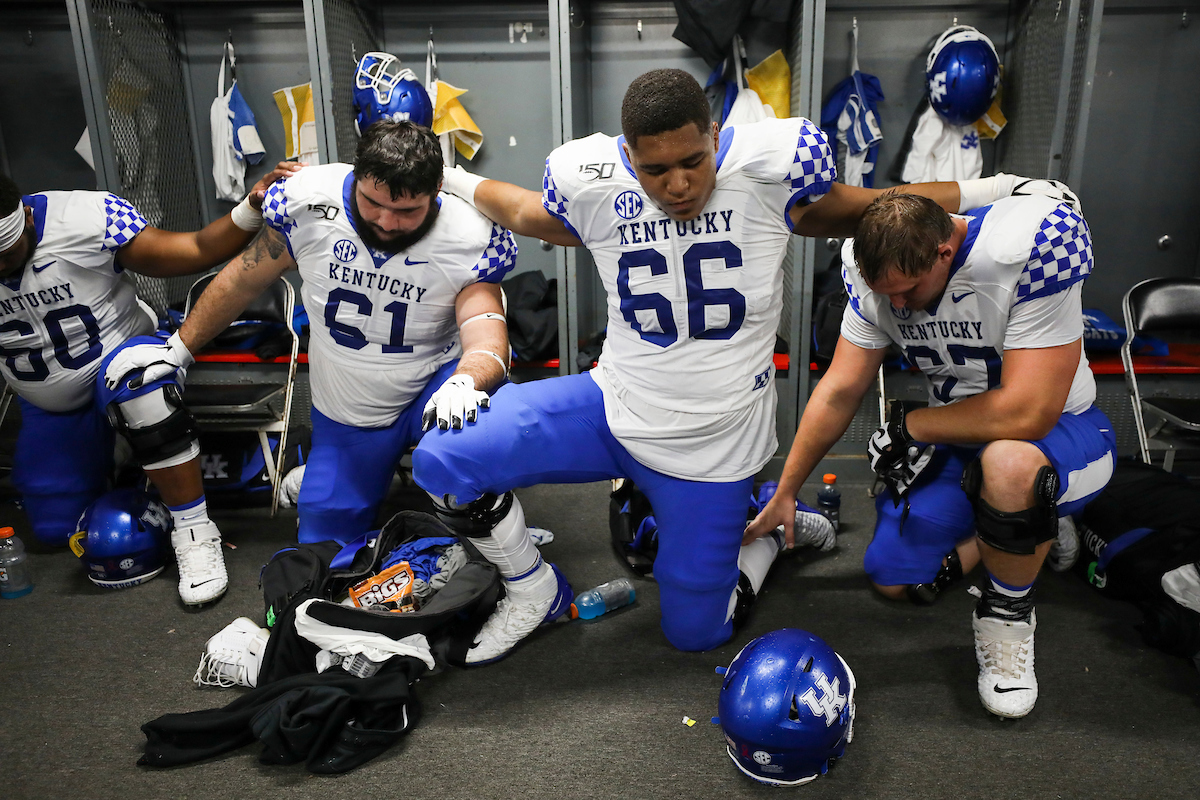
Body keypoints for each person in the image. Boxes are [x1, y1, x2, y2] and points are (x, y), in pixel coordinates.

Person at [413, 67, 1044, 664]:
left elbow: (878, 201)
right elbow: (525, 211)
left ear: (716, 136)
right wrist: (451, 177)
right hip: (610, 406)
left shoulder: (768, 177)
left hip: (712, 448)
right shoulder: (596, 185)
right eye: (656, 169)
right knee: (442, 455)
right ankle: (533, 589)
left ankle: (768, 532)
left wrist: (995, 190)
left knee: (695, 635)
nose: (679, 184)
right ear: (629, 157)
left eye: (693, 161)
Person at [745, 192, 1116, 718]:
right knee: (897, 577)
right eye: (886, 294)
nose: (899, 306)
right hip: (962, 440)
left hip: (1065, 433)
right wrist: (786, 490)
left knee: (1010, 464)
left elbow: (1027, 413)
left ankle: (1008, 614)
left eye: (909, 289)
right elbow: (839, 390)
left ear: (945, 251)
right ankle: (1021, 531)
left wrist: (911, 425)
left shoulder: (1029, 246)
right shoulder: (879, 276)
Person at [105, 120, 515, 547]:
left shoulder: (469, 233)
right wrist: (180, 349)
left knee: (475, 449)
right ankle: (323, 475)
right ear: (354, 176)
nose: (387, 221)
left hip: (432, 386)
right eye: (373, 202)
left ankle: (500, 527)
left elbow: (484, 330)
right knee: (324, 548)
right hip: (348, 405)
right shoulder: (307, 201)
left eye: (407, 210)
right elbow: (244, 279)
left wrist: (466, 381)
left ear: (437, 192)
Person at [0, 161, 299, 605]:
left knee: (142, 383)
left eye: (7, 250)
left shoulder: (84, 219)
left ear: (25, 216)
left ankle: (195, 532)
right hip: (48, 401)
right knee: (54, 530)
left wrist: (250, 209)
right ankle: (126, 456)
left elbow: (194, 248)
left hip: (117, 361)